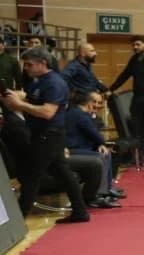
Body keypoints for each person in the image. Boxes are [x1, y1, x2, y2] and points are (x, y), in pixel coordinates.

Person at [2, 46, 90, 224]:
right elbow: (32, 99)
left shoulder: (54, 83)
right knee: (62, 172)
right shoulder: (38, 80)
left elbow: (47, 111)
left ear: (43, 63)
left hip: (47, 134)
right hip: (43, 133)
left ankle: (18, 219)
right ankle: (80, 211)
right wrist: (15, 97)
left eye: (29, 64)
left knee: (32, 176)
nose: (25, 68)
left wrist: (19, 105)